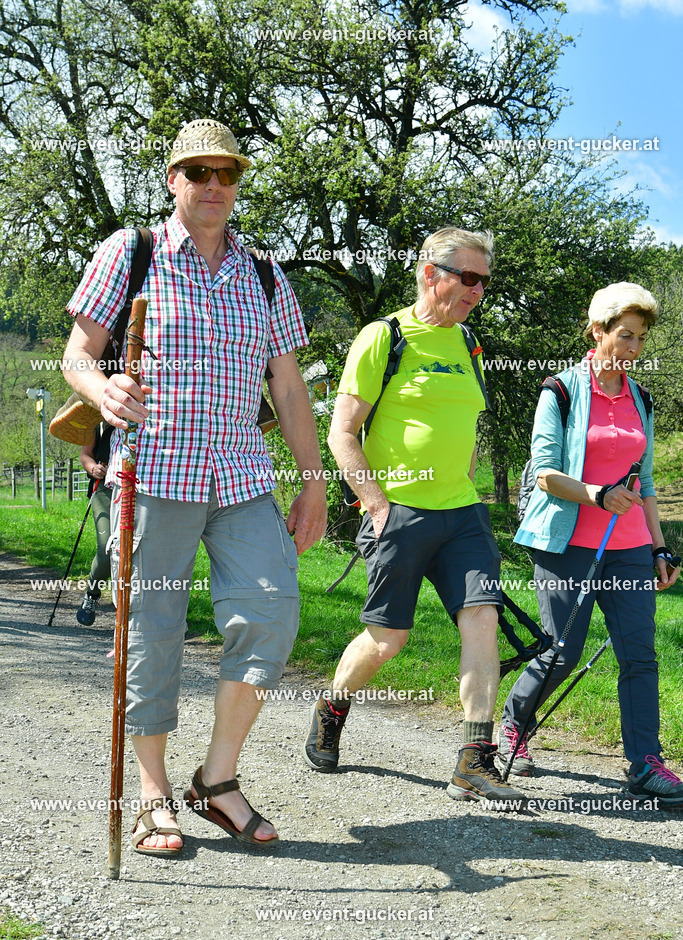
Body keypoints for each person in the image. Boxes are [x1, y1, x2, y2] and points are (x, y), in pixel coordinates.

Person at [62, 119, 327, 856]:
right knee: (152, 630)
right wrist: (101, 387)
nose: (214, 185)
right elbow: (77, 354)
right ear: (173, 181)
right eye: (198, 172)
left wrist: (312, 486)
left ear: (236, 186)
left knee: (270, 614)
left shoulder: (265, 273)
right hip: (152, 472)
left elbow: (290, 388)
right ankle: (152, 794)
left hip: (241, 475)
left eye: (227, 174)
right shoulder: (131, 251)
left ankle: (216, 781)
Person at [303, 226, 527, 807]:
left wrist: (468, 480)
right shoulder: (387, 337)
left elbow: (467, 426)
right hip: (398, 511)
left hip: (463, 513)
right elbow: (342, 431)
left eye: (485, 281)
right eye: (469, 278)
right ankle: (332, 705)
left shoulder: (469, 343)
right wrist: (375, 504)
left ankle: (474, 758)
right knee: (388, 639)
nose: (479, 291)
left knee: (481, 616)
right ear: (431, 272)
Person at [499, 282, 683, 808]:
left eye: (641, 339)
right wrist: (598, 496)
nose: (633, 349)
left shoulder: (639, 398)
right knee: (561, 650)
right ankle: (514, 724)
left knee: (640, 655)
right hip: (568, 542)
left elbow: (644, 484)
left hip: (628, 546)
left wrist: (659, 549)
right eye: (625, 336)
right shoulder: (560, 391)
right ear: (597, 332)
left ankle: (645, 762)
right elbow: (545, 474)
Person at [76, 423, 114, 626]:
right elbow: (85, 454)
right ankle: (92, 594)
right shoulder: (96, 419)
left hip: (141, 489)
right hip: (105, 489)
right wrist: (93, 468)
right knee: (107, 547)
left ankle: (138, 606)